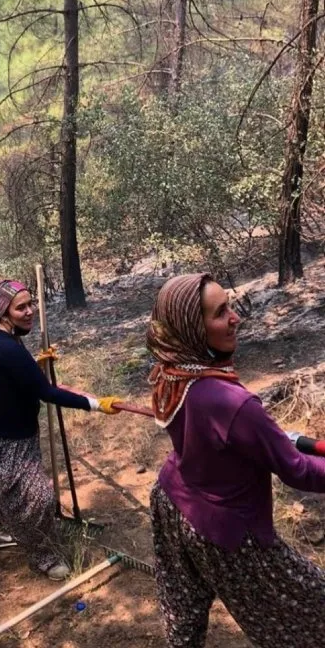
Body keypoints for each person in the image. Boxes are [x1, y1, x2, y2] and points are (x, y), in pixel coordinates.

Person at [147, 273, 325, 648]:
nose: (235, 318)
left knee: (185, 610)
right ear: (193, 330)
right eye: (220, 313)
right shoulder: (233, 404)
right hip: (224, 529)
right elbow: (298, 469)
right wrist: (261, 431)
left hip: (171, 501)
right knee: (308, 612)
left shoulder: (171, 373)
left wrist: (261, 435)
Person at [0, 279, 123, 581]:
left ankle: (3, 529)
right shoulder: (7, 348)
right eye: (21, 307)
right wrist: (96, 403)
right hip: (2, 441)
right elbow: (48, 393)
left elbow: (12, 373)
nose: (30, 311)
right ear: (3, 312)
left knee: (3, 493)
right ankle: (43, 556)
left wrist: (33, 363)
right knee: (38, 499)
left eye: (31, 304)